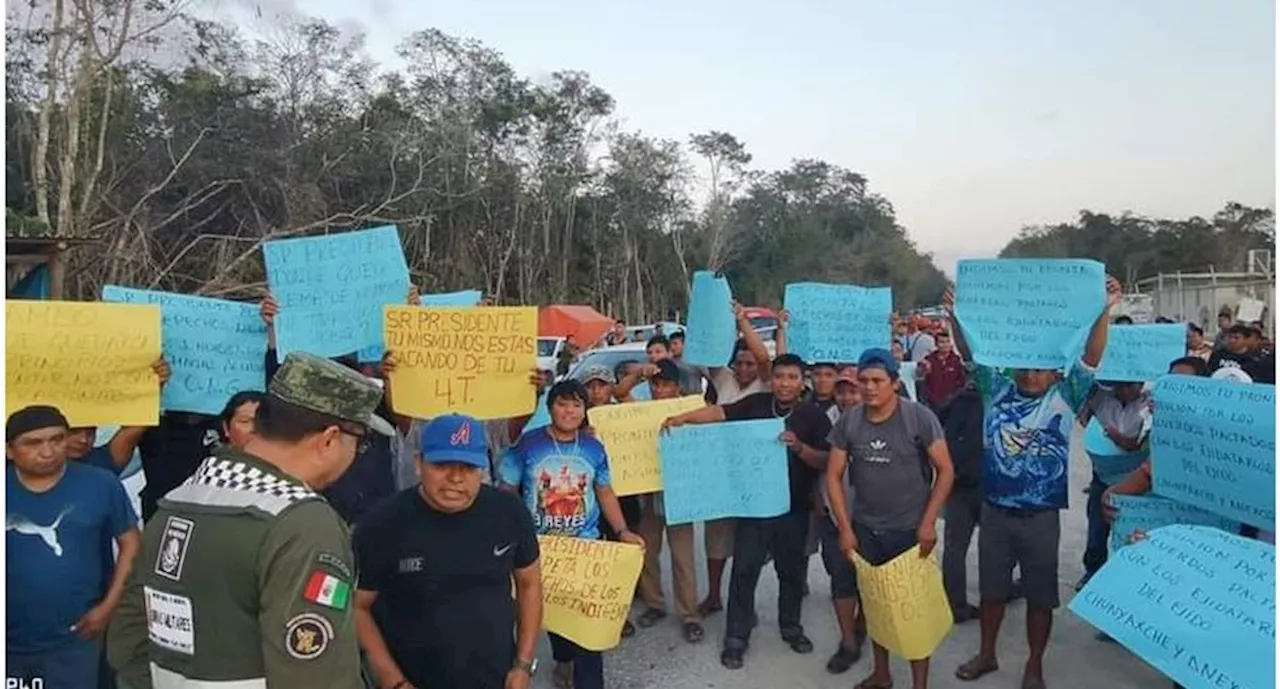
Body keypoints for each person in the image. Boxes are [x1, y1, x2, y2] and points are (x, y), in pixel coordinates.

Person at [107, 352, 394, 688]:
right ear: (329, 439)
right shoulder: (302, 522)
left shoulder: (178, 500)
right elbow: (314, 671)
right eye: (360, 443)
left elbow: (128, 639)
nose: (355, 456)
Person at [948, 274, 1120, 689]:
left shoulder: (1065, 396)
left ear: (1053, 372)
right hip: (996, 511)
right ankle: (987, 655)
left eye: (1040, 368)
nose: (1029, 374)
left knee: (1040, 596)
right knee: (992, 590)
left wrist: (1103, 310)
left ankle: (1034, 665)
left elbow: (1092, 359)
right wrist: (956, 315)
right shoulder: (995, 390)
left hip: (1041, 516)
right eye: (1023, 366)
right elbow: (970, 353)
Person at [662, 353, 830, 670]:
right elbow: (719, 412)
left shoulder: (813, 417)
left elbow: (826, 460)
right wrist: (683, 418)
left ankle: (791, 628)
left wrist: (799, 448)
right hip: (753, 507)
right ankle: (736, 638)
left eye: (792, 378)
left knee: (791, 574)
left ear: (801, 382)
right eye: (779, 376)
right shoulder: (755, 404)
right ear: (773, 379)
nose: (784, 383)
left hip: (793, 510)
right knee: (744, 572)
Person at [354, 415, 542, 689]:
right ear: (418, 464)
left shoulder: (510, 513)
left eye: (468, 466)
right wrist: (393, 681)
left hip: (496, 680)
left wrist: (523, 665)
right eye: (442, 465)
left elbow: (530, 585)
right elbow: (357, 608)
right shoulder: (382, 524)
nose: (455, 478)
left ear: (483, 468)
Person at [498, 380, 644, 689]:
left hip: (586, 547)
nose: (569, 411)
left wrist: (622, 531)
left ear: (585, 410)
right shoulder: (528, 444)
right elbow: (507, 490)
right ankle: (563, 660)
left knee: (587, 623)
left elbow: (604, 491)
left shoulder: (594, 448)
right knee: (552, 612)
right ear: (550, 408)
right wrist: (514, 531)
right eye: (563, 404)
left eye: (577, 405)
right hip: (539, 548)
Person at [826, 349, 955, 689]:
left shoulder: (919, 418)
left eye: (877, 381)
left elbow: (945, 471)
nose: (869, 388)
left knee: (913, 613)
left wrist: (929, 523)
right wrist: (845, 527)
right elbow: (833, 476)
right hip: (866, 530)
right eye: (864, 381)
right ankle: (881, 675)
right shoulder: (849, 422)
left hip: (909, 531)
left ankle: (919, 683)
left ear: (895, 384)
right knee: (876, 607)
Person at [7, 406, 143, 689]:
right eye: (33, 443)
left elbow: (131, 544)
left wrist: (108, 608)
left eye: (56, 439)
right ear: (9, 450)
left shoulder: (100, 483)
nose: (47, 451)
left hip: (76, 637)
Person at [697, 303, 783, 617]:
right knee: (716, 538)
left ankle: (743, 600)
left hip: (756, 472)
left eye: (750, 363)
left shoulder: (765, 383)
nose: (745, 368)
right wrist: (711, 314)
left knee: (750, 543)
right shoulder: (723, 379)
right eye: (740, 363)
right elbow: (703, 353)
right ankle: (714, 594)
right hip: (721, 469)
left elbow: (764, 358)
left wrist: (743, 321)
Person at [631, 360, 706, 643]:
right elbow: (621, 392)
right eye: (656, 385)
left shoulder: (691, 410)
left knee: (683, 557)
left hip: (680, 493)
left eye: (666, 385)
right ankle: (654, 604)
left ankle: (689, 614)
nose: (660, 390)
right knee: (647, 552)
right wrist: (639, 372)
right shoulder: (640, 412)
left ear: (677, 387)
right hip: (649, 494)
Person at [1076, 379, 1150, 591]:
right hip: (1104, 474)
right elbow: (1084, 417)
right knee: (1097, 530)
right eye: (1120, 386)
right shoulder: (1102, 398)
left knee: (1132, 531)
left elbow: (1142, 442)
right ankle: (1092, 572)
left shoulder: (1150, 404)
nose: (1123, 390)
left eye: (1129, 386)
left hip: (1137, 480)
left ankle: (1125, 579)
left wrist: (1119, 438)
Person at [939, 379, 985, 623]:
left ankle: (955, 605)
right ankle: (994, 597)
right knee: (994, 549)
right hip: (989, 487)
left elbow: (939, 425)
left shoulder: (957, 399)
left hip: (957, 482)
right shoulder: (1003, 401)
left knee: (955, 548)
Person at [1207, 323, 1275, 384]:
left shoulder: (1253, 361)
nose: (1232, 340)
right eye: (1230, 337)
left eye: (1236, 338)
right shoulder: (1217, 355)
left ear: (1247, 340)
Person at [917, 330, 968, 413]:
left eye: (947, 342)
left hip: (951, 404)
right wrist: (923, 368)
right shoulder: (929, 359)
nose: (945, 345)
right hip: (931, 404)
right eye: (942, 342)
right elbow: (918, 375)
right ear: (936, 344)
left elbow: (962, 382)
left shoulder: (957, 361)